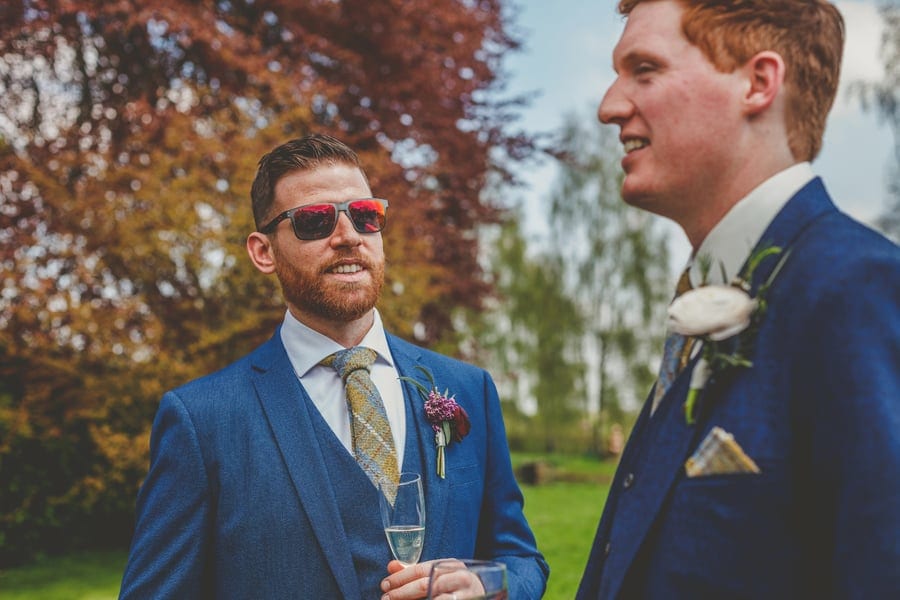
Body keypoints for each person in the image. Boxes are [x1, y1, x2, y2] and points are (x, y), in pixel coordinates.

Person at [119, 134, 548, 599]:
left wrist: (487, 586)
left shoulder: (467, 389)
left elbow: (522, 561)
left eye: (366, 215)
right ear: (264, 251)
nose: (348, 236)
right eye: (314, 221)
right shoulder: (202, 420)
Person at [577, 1, 900, 598]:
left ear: (757, 83)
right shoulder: (717, 288)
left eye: (644, 69)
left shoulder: (856, 288)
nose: (610, 106)